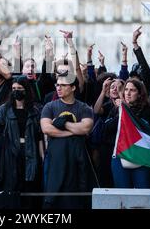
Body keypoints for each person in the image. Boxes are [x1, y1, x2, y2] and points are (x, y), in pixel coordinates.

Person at [40, 59, 94, 209]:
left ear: (73, 87)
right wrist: (72, 132)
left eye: (63, 85)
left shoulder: (84, 108)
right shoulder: (49, 106)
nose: (59, 88)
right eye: (57, 85)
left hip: (77, 158)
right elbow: (46, 129)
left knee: (75, 198)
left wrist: (63, 123)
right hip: (56, 158)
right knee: (53, 199)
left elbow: (85, 129)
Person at [0, 76, 44, 208]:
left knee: (29, 184)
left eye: (19, 88)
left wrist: (42, 154)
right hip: (10, 152)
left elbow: (39, 135)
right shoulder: (4, 109)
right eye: (13, 88)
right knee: (11, 184)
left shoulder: (35, 110)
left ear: (26, 90)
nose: (16, 91)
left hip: (30, 151)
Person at [111, 78, 150, 189]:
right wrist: (120, 111)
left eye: (133, 90)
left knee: (143, 194)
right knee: (122, 194)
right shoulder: (118, 108)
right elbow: (107, 129)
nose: (128, 93)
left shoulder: (147, 110)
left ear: (140, 94)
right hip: (120, 156)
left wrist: (126, 109)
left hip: (141, 157)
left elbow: (140, 128)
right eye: (126, 90)